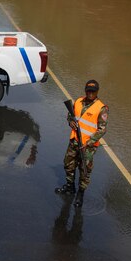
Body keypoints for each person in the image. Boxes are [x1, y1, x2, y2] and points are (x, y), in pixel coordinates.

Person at [55, 79, 108, 207]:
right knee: (68, 163)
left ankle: (80, 194)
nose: (90, 93)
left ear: (97, 92)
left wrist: (90, 142)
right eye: (88, 91)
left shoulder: (101, 108)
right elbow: (70, 115)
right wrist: (70, 121)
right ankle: (70, 187)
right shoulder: (78, 101)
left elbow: (102, 130)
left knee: (84, 170)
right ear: (85, 90)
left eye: (93, 91)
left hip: (87, 146)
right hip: (74, 140)